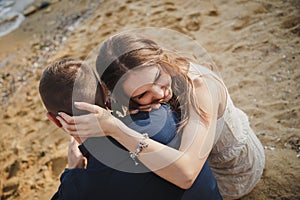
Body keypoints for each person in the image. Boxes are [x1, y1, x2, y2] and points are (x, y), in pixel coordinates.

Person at [57, 32, 266, 199]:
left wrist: (115, 127)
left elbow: (187, 175)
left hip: (234, 173)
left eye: (158, 77)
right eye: (142, 93)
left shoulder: (201, 86)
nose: (159, 93)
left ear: (160, 59)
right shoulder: (130, 98)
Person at [39, 58, 222, 200]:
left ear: (55, 121)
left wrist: (72, 170)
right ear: (105, 93)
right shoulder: (164, 115)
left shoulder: (77, 188)